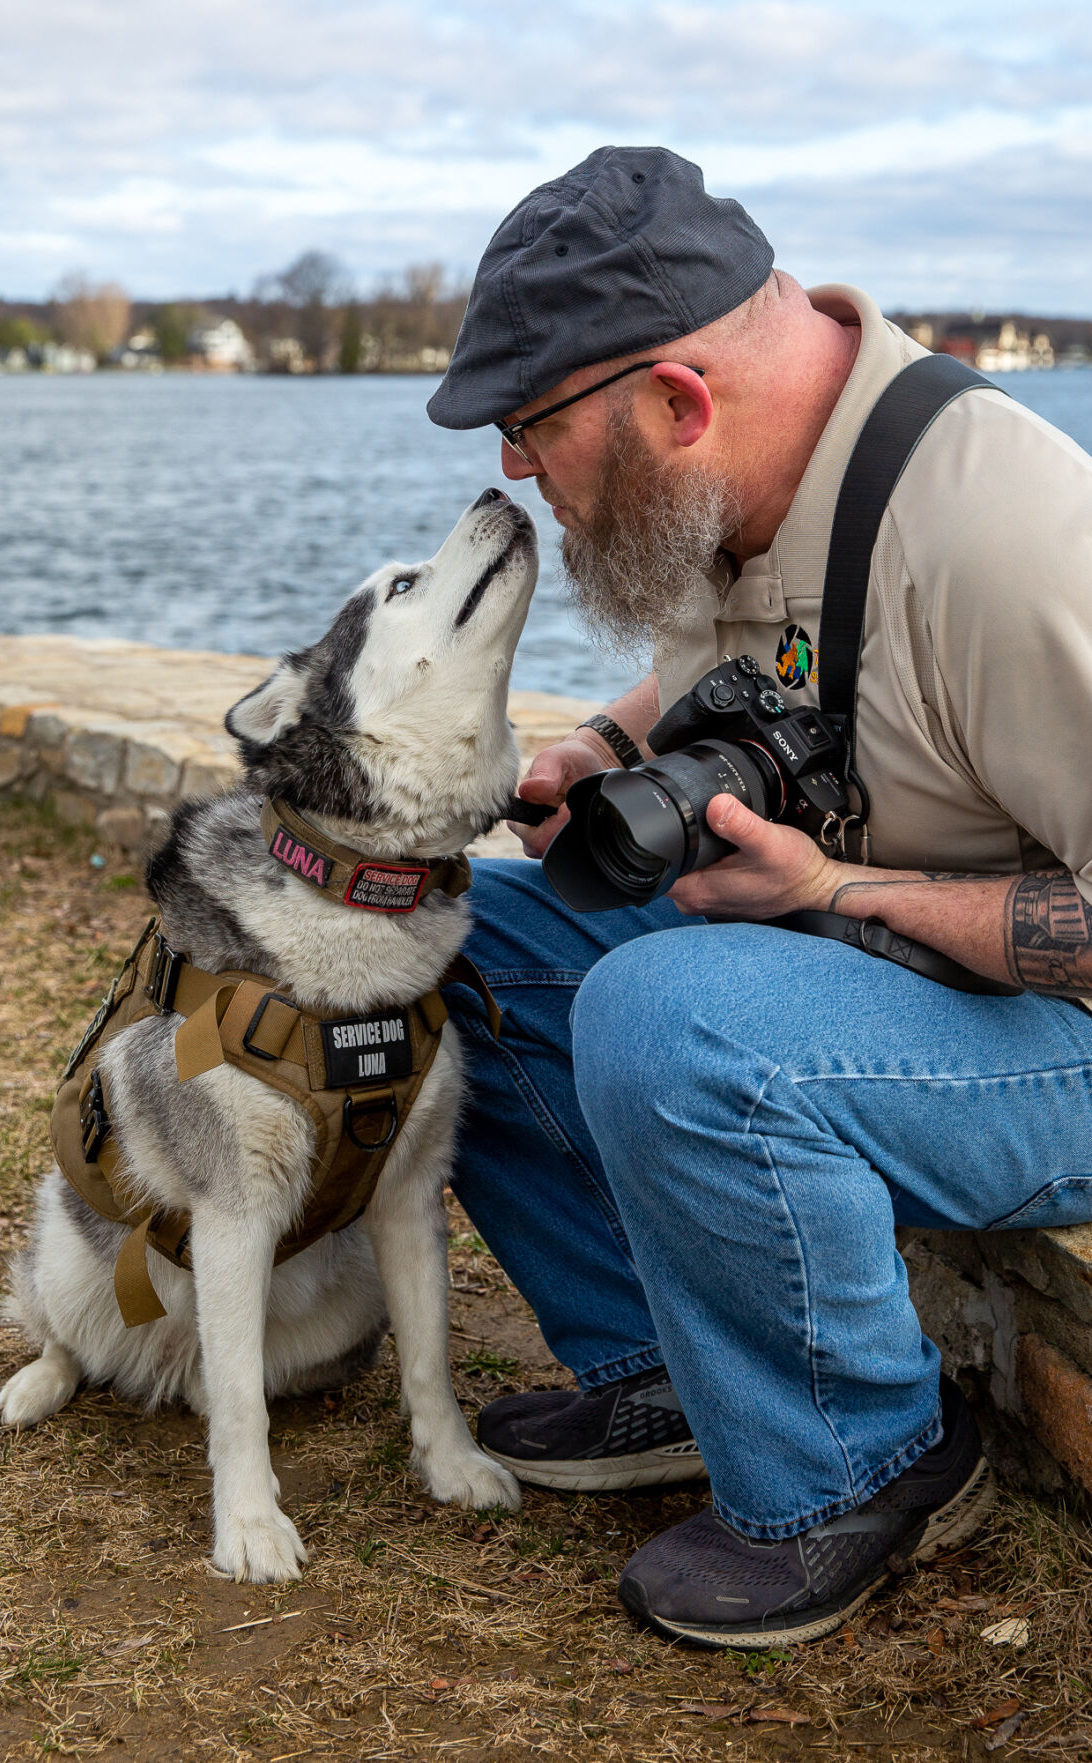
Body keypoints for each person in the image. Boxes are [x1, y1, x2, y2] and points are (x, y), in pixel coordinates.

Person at [428, 145, 1092, 1649]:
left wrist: (845, 888)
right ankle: (665, 1366)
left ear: (675, 401)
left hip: (1065, 1027)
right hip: (914, 973)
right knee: (455, 939)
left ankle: (861, 1465)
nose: (515, 471)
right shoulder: (733, 477)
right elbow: (732, 654)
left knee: (670, 1014)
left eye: (534, 428)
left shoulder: (1008, 546)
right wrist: (602, 749)